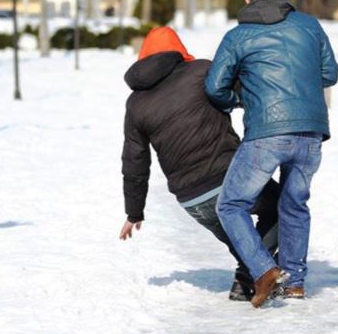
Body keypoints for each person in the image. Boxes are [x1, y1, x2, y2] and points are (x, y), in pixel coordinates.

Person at [205, 0, 338, 308]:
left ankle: (263, 269)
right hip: (311, 131)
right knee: (294, 204)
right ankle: (294, 282)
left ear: (247, 0)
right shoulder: (309, 26)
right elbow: (330, 74)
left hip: (266, 133)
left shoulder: (237, 36)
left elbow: (214, 87)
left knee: (231, 204)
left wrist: (239, 99)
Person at [120, 26, 281, 301]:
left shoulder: (135, 104)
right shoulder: (202, 72)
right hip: (231, 177)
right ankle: (248, 275)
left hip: (191, 199)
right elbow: (246, 93)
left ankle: (247, 281)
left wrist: (134, 212)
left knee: (242, 242)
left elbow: (134, 161)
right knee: (282, 207)